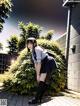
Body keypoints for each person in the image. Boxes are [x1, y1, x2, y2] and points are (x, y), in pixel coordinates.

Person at [26, 37, 57, 104]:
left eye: (30, 43)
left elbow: (39, 62)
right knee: (43, 82)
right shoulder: (32, 52)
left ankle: (36, 99)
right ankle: (39, 98)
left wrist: (38, 75)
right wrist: (38, 73)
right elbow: (36, 63)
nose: (29, 45)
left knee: (42, 81)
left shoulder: (37, 49)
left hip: (49, 62)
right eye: (28, 43)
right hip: (44, 63)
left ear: (34, 43)